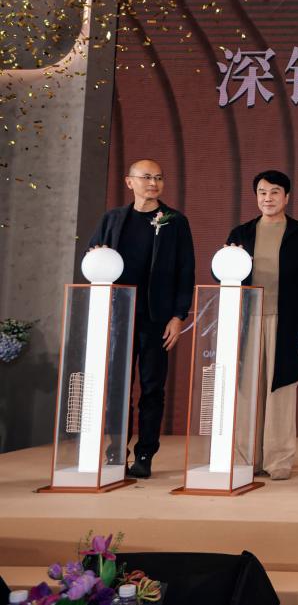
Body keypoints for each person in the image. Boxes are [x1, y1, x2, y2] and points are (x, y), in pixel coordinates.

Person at [87, 158, 195, 479]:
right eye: (146, 177)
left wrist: (178, 315)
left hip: (156, 319)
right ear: (129, 181)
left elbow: (186, 272)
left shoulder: (175, 221)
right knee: (116, 388)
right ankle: (115, 450)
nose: (153, 183)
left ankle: (145, 454)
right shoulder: (112, 219)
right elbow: (92, 258)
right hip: (118, 317)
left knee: (151, 389)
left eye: (158, 177)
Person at [225, 170, 298, 480]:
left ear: (287, 197)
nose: (268, 198)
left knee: (281, 390)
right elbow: (223, 273)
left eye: (275, 192)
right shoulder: (241, 233)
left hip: (286, 323)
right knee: (246, 391)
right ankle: (245, 459)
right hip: (247, 321)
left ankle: (278, 461)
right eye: (262, 192)